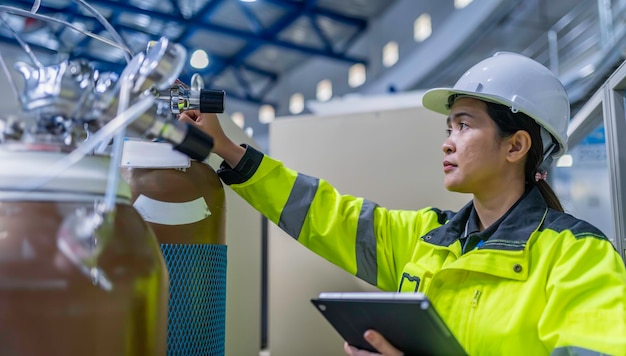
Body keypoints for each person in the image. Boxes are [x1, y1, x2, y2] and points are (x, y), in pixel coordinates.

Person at [179, 52, 626, 355]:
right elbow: (322, 213)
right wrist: (229, 151)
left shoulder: (578, 257)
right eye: (448, 129)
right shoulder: (426, 239)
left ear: (516, 146)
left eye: (465, 126)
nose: (448, 143)